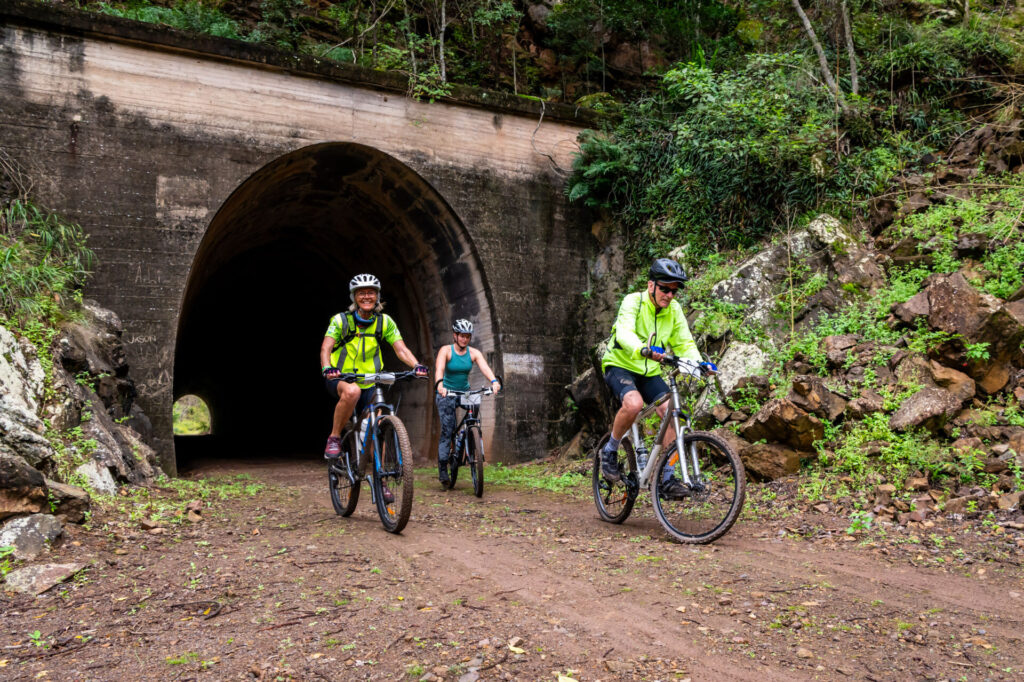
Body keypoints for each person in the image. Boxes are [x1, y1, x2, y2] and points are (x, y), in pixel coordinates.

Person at [599, 257, 708, 500]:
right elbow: (625, 332)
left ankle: (666, 477)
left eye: (674, 290)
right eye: (665, 288)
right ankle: (610, 450)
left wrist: (699, 364)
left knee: (673, 414)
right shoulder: (633, 302)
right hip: (620, 364)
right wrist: (642, 349)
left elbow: (684, 342)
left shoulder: (674, 310)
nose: (670, 295)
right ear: (651, 285)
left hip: (650, 371)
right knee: (634, 404)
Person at [321, 273, 428, 460]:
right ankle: (335, 436)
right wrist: (327, 368)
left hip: (371, 380)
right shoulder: (341, 321)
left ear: (377, 296)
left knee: (375, 428)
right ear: (354, 297)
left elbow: (401, 349)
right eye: (361, 293)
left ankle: (382, 481)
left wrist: (417, 366)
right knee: (352, 392)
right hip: (342, 378)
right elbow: (326, 348)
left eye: (371, 292)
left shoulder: (384, 322)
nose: (366, 297)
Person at [433, 318, 501, 486]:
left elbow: (485, 367)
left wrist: (494, 382)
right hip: (446, 393)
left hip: (465, 392)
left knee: (474, 412)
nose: (464, 339)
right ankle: (443, 467)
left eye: (467, 336)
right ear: (455, 335)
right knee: (448, 430)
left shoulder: (473, 353)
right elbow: (439, 369)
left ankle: (471, 437)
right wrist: (440, 384)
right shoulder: (446, 350)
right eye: (461, 336)